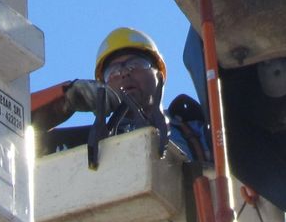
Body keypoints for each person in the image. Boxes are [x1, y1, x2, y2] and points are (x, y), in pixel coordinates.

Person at [32, 27, 210, 164]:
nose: (124, 73)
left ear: (159, 75)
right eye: (114, 71)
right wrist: (66, 97)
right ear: (103, 85)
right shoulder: (89, 145)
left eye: (136, 64)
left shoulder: (198, 131)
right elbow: (11, 126)